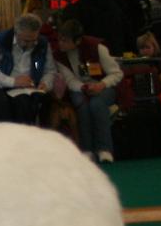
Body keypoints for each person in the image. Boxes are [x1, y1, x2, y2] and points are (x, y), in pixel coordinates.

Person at [52, 18, 123, 163]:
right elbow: (69, 80)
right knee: (81, 105)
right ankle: (87, 150)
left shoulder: (98, 48)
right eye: (60, 40)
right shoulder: (59, 55)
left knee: (97, 105)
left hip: (104, 86)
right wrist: (83, 87)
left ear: (77, 41)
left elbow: (116, 73)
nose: (61, 44)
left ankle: (104, 149)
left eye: (65, 41)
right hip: (79, 88)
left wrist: (101, 85)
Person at [0, 13, 56, 124]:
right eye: (26, 41)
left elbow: (50, 70)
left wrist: (46, 83)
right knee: (1, 104)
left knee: (27, 103)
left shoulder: (42, 44)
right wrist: (13, 82)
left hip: (27, 88)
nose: (31, 44)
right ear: (16, 33)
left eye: (34, 40)